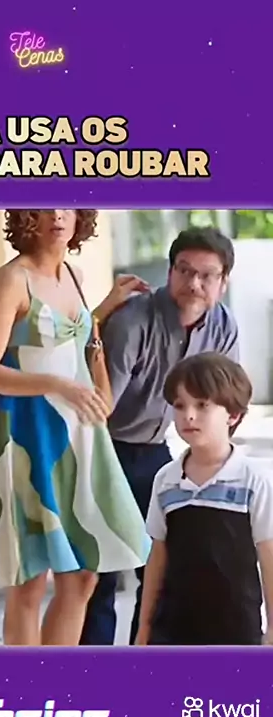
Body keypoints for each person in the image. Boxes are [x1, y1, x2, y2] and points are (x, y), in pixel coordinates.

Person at [0, 209, 151, 646]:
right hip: (23, 437)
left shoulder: (73, 275)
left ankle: (55, 674)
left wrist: (99, 382)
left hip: (78, 438)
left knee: (84, 576)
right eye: (45, 206)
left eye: (68, 206)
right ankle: (26, 681)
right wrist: (57, 384)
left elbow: (80, 340)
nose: (57, 215)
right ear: (26, 216)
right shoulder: (11, 280)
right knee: (29, 581)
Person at [80, 226, 240, 646]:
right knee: (99, 571)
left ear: (223, 282)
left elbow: (226, 399)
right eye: (184, 270)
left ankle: (146, 656)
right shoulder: (133, 321)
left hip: (155, 451)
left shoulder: (224, 327)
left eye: (207, 275)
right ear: (170, 272)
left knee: (159, 568)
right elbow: (100, 408)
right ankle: (91, 666)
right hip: (102, 448)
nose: (194, 283)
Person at [135, 353, 273, 646]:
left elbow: (269, 555)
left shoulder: (253, 481)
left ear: (233, 415)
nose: (189, 415)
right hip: (172, 632)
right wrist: (144, 626)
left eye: (202, 405)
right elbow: (157, 556)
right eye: (179, 405)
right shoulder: (166, 480)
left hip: (236, 630)